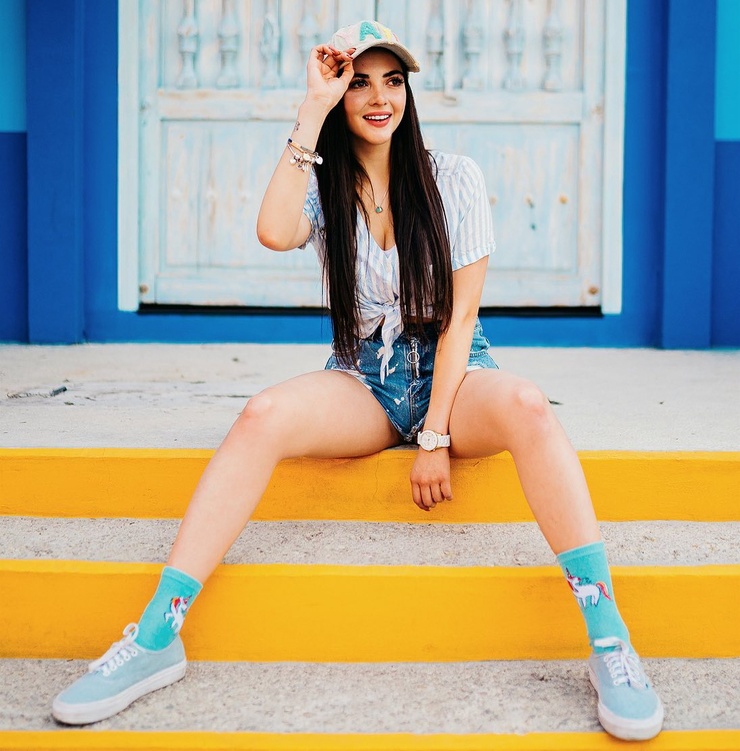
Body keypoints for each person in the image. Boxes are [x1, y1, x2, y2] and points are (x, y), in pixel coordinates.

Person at [52, 20, 663, 741]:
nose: (379, 98)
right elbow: (272, 231)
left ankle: (608, 638)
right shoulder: (323, 186)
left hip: (453, 372)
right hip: (365, 377)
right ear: (341, 94)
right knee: (261, 414)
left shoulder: (454, 177)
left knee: (529, 406)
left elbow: (461, 318)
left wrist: (434, 435)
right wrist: (312, 107)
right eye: (360, 83)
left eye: (392, 81)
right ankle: (158, 634)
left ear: (408, 91)